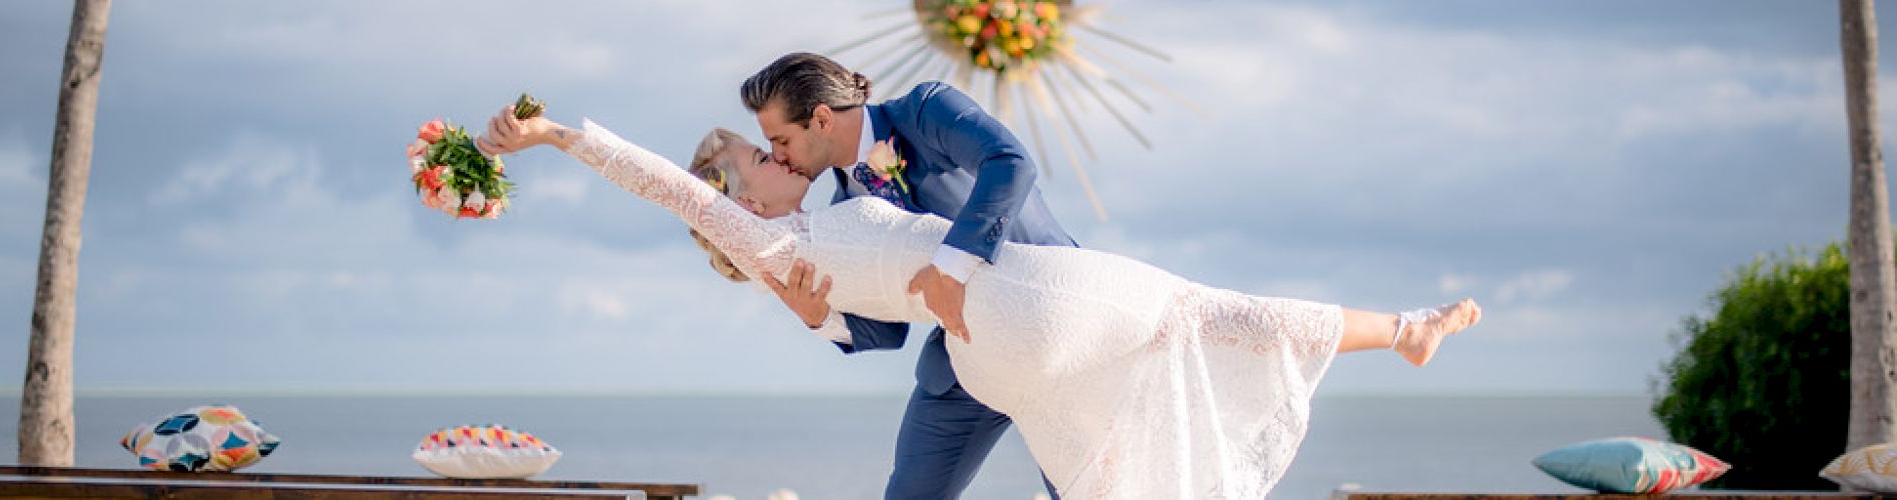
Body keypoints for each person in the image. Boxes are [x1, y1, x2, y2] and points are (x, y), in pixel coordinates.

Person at [473, 100, 1482, 500]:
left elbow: (663, 185)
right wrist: (560, 132)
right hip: (1024, 311)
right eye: (756, 159)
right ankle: (1403, 328)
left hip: (997, 343)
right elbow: (671, 182)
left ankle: (1405, 329)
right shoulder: (813, 226)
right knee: (1210, 314)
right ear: (740, 201)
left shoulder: (794, 239)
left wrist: (566, 137)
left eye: (771, 146)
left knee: (1109, 446)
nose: (770, 158)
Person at [741, 52, 1076, 499]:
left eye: (781, 140)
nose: (778, 157)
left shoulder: (927, 110)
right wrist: (821, 318)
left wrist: (951, 268)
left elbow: (1010, 162)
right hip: (963, 361)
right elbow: (888, 329)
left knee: (1084, 491)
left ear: (821, 119)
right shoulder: (845, 212)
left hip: (1053, 328)